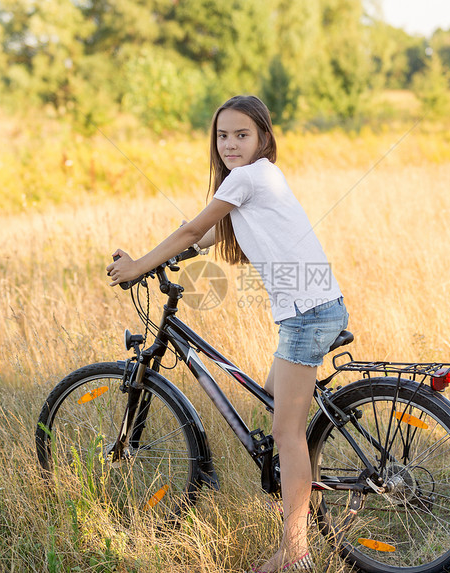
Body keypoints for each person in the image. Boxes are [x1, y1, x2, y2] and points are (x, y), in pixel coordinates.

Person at [106, 95, 348, 573]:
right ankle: (295, 491)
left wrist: (139, 265)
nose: (231, 144)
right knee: (275, 398)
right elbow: (208, 233)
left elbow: (194, 225)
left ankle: (295, 552)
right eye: (223, 136)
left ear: (262, 139)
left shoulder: (248, 176)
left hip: (306, 314)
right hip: (314, 307)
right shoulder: (261, 178)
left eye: (242, 135)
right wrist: (179, 253)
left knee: (286, 433)